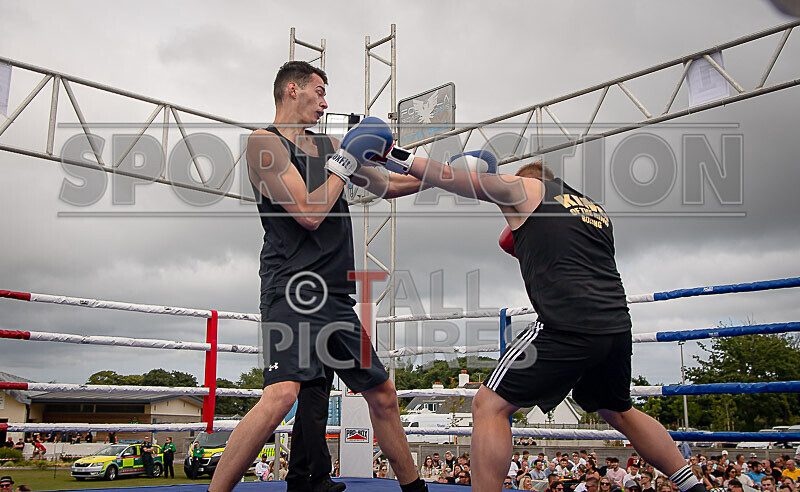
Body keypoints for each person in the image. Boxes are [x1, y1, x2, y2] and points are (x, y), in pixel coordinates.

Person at [353, 120, 713, 492]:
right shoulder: (593, 210)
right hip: (616, 326)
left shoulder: (526, 187)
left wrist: (392, 155)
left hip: (567, 324)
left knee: (488, 405)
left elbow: (455, 179)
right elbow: (560, 258)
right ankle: (692, 485)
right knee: (616, 409)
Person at [208, 61, 426, 492]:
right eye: (319, 91)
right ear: (292, 90)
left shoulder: (326, 146)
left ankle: (415, 489)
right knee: (282, 395)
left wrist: (443, 174)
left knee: (382, 394)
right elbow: (308, 213)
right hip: (291, 289)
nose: (325, 102)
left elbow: (388, 186)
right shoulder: (262, 144)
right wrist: (342, 163)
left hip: (335, 297)